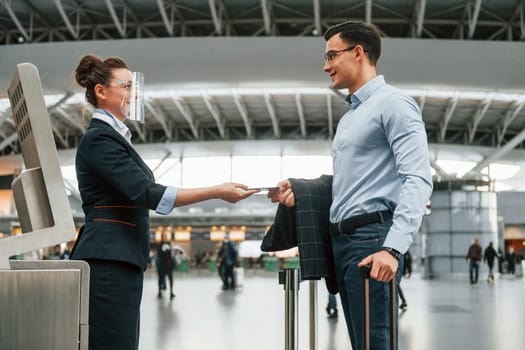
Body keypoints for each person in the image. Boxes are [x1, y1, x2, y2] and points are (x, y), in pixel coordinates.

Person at [69, 54, 258, 350]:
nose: (134, 94)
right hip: (109, 258)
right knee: (112, 342)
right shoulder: (100, 139)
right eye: (126, 86)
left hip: (120, 257)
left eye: (134, 86)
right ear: (101, 91)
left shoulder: (115, 137)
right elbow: (148, 193)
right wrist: (216, 190)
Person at [269, 21, 432, 350]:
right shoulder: (349, 119)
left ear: (358, 53)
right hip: (344, 241)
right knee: (362, 342)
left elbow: (417, 177)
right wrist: (300, 192)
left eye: (332, 55)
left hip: (373, 240)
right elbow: (350, 186)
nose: (325, 65)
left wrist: (392, 248)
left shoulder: (394, 104)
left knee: (376, 341)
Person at [156, 234, 176, 299]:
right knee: (160, 278)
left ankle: (171, 293)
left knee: (171, 279)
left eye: (166, 236)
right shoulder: (159, 245)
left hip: (168, 265)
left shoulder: (169, 244)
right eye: (164, 236)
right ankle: (159, 292)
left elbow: (170, 254)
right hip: (161, 265)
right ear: (161, 237)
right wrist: (165, 251)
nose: (165, 238)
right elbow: (159, 254)